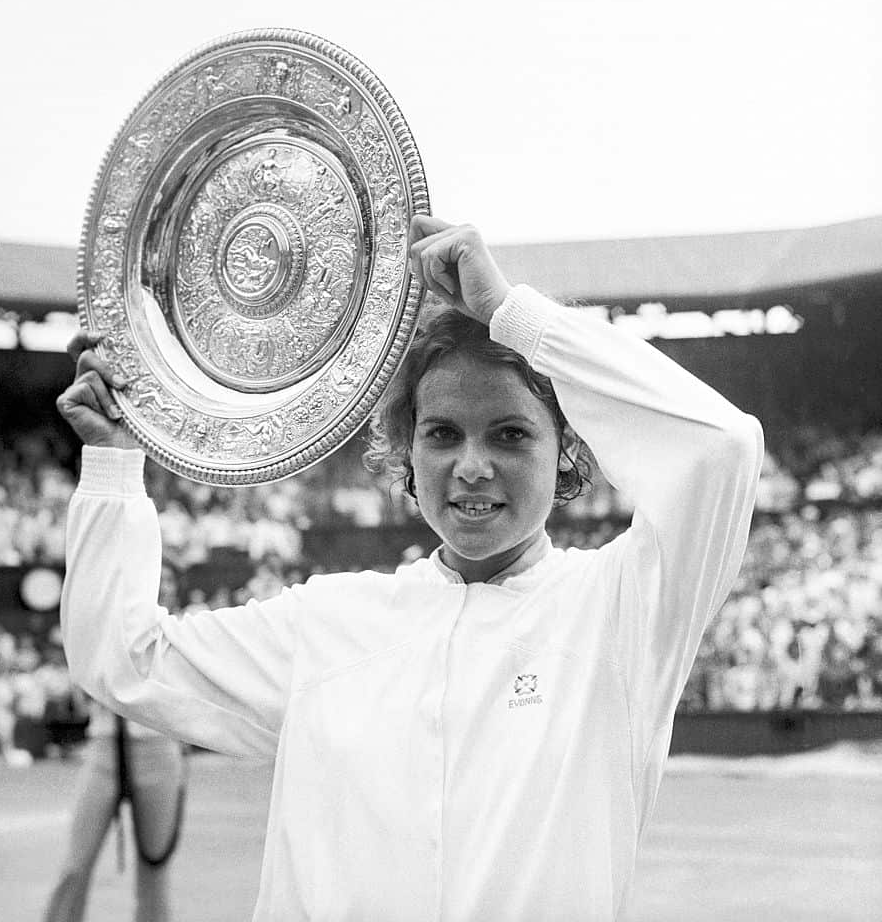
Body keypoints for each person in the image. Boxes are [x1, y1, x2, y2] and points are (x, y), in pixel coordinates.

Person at [56, 215, 763, 922]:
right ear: (406, 451)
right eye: (442, 434)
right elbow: (121, 656)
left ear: (568, 452)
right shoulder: (326, 622)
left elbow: (721, 448)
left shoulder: (622, 612)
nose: (472, 467)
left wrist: (513, 315)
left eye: (511, 434)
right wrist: (116, 463)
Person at [42, 567, 187, 922]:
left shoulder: (183, 632)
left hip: (159, 750)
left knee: (154, 868)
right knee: (76, 864)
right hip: (106, 747)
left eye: (167, 582)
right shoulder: (108, 625)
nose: (160, 587)